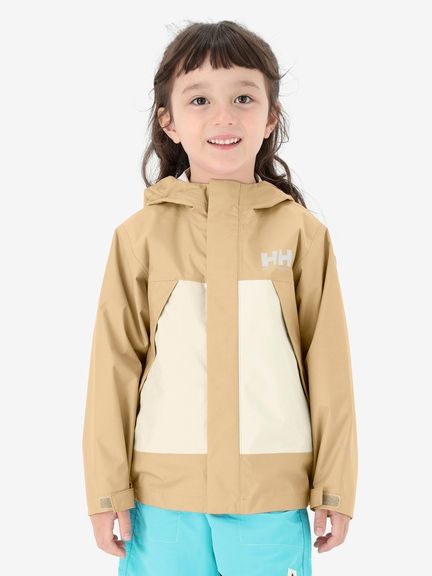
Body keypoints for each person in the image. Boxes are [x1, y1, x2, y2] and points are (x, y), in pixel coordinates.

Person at [82, 19, 358, 576]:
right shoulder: (140, 237)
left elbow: (329, 368)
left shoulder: (301, 235)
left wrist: (334, 484)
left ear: (271, 116)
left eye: (243, 98)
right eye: (200, 99)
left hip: (270, 500)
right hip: (162, 504)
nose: (224, 116)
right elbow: (114, 367)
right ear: (169, 120)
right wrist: (107, 488)